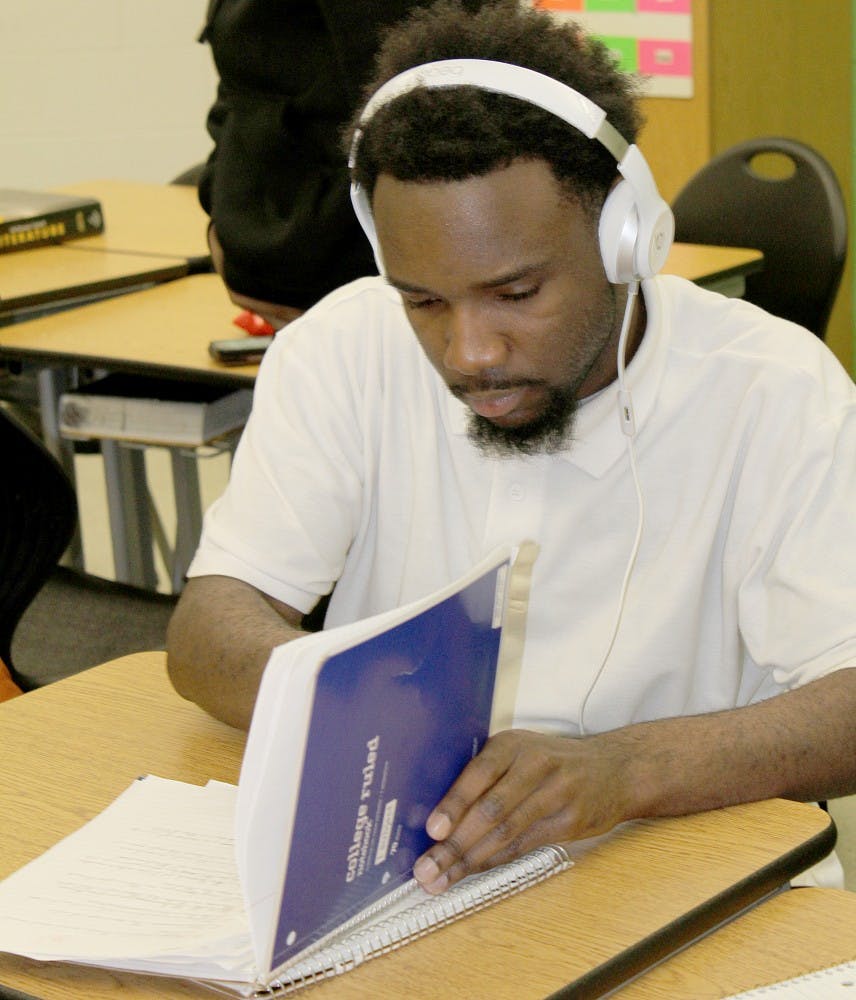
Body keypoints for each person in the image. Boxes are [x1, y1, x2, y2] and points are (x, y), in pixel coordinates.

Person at [169, 0, 856, 894]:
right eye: (424, 300)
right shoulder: (342, 348)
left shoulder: (775, 390)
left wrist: (620, 770)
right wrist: (369, 720)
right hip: (419, 878)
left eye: (517, 292)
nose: (470, 351)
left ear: (625, 238)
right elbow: (207, 628)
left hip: (686, 875)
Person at [197, 0, 486, 329]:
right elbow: (239, 92)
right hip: (279, 276)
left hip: (369, 290)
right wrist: (221, 223)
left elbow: (432, 120)